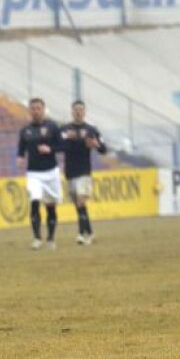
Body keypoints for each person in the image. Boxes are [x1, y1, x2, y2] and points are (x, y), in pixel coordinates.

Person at [17, 97, 63, 250]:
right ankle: (37, 238)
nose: (36, 111)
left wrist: (50, 149)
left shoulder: (52, 127)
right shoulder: (25, 131)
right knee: (34, 201)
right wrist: (20, 158)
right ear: (29, 111)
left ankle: (50, 238)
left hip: (51, 172)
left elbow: (62, 146)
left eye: (38, 108)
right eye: (33, 108)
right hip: (34, 173)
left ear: (43, 110)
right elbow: (21, 148)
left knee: (51, 206)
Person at [60, 100, 107, 245]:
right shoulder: (65, 129)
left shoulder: (91, 130)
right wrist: (67, 139)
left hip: (84, 171)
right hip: (70, 171)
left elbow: (104, 149)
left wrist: (96, 144)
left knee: (81, 201)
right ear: (72, 111)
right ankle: (90, 233)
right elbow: (58, 146)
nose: (78, 112)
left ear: (84, 112)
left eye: (81, 109)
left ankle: (81, 234)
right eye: (76, 110)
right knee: (78, 205)